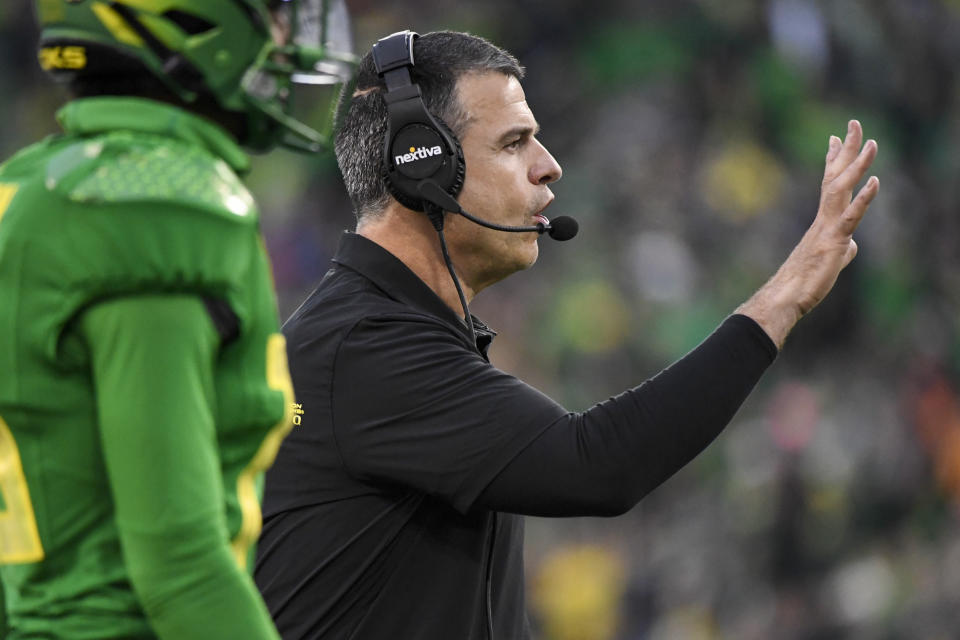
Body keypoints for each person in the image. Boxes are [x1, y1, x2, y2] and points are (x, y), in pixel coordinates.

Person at [254, 30, 879, 639]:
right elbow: (598, 465)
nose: (549, 166)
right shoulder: (367, 345)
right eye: (514, 142)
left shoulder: (377, 332)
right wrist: (784, 298)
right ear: (422, 163)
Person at [0, 1, 354, 638]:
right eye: (274, 12)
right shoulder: (155, 203)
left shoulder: (28, 188)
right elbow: (180, 562)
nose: (284, 36)